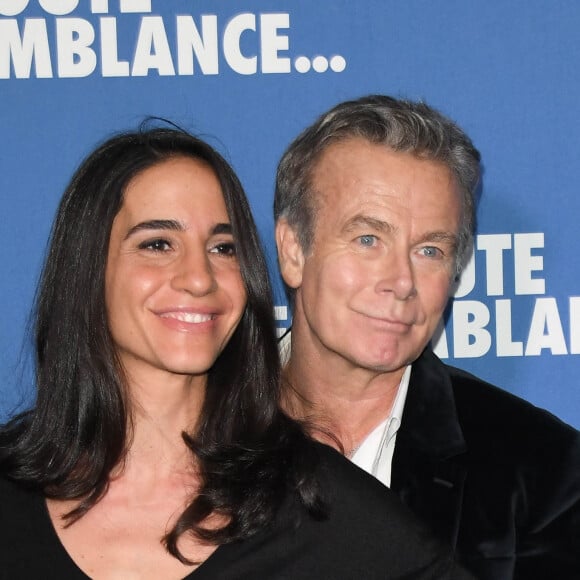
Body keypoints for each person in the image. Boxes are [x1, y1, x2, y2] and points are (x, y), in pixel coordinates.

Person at [0, 126, 472, 579]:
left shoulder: (317, 500)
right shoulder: (11, 493)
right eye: (158, 244)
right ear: (87, 270)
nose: (199, 277)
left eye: (223, 248)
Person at [274, 95, 580, 580]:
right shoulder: (188, 432)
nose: (401, 281)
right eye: (368, 240)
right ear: (293, 250)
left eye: (430, 250)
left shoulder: (542, 469)